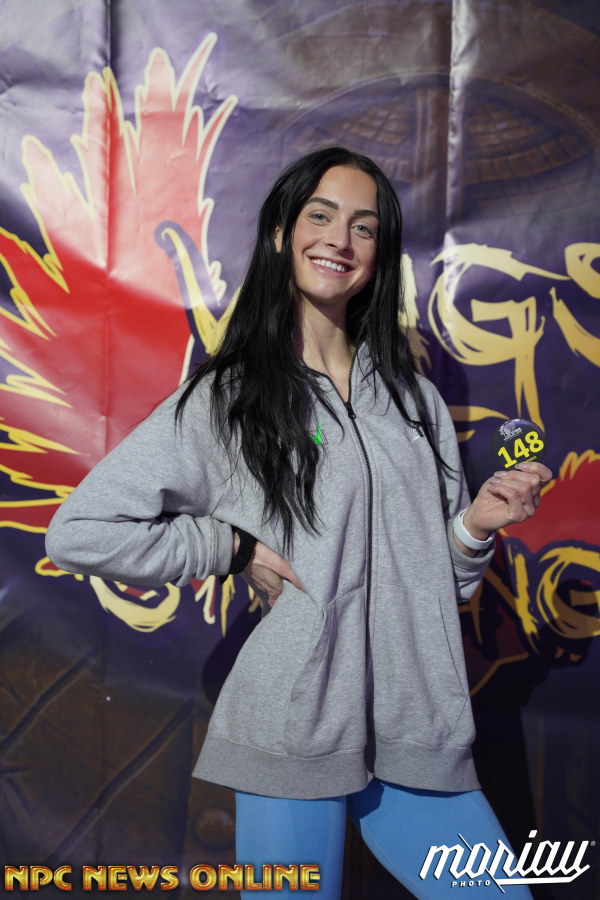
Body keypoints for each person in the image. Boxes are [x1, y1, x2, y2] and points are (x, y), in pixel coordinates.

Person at [46, 147, 550, 898]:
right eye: (321, 215)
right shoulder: (230, 397)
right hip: (291, 728)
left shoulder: (414, 402)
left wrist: (474, 526)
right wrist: (228, 545)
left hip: (415, 732)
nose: (340, 240)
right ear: (281, 232)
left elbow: (441, 583)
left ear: (378, 254)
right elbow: (79, 530)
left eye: (363, 227)